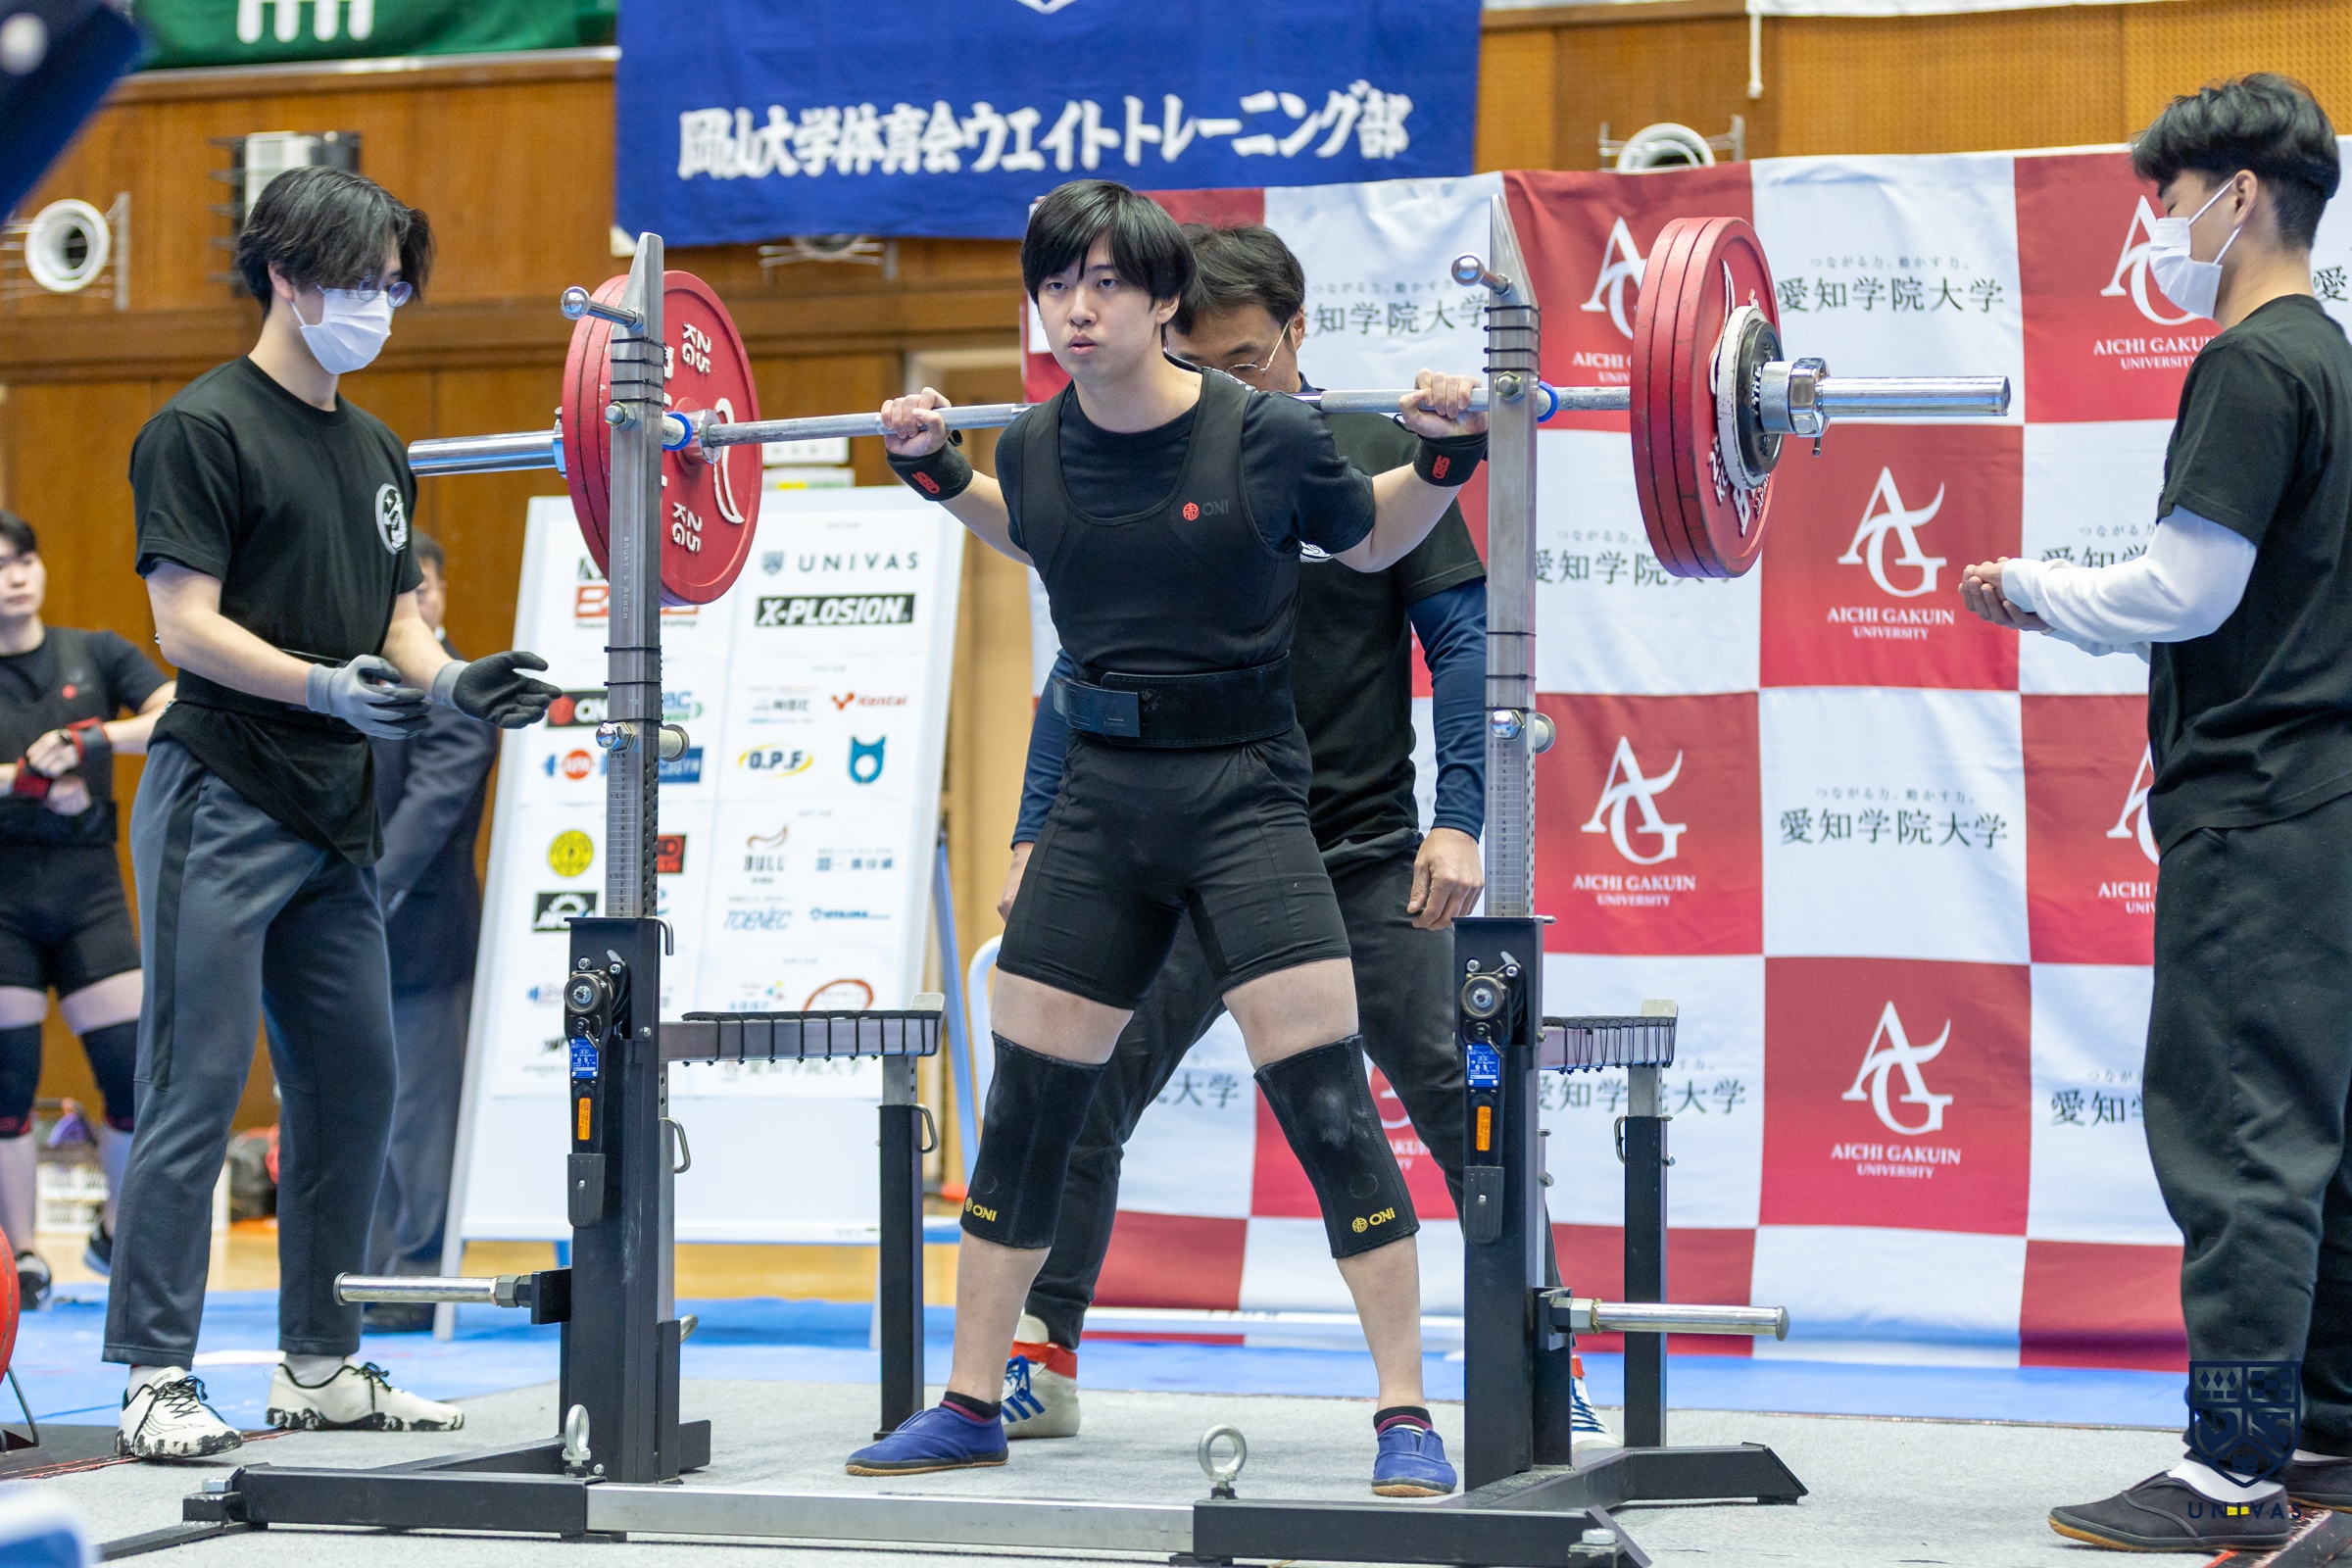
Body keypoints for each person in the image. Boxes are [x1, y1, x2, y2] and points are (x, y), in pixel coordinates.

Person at [852, 179, 1486, 1496]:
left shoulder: (1269, 435)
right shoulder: (1035, 442)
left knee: (1329, 1106)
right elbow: (1024, 528)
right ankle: (972, 1398)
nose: (1076, 310)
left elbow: (1374, 538)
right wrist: (936, 473)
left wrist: (1443, 458)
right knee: (1031, 1112)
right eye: (1055, 286)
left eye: (1104, 285)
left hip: (1248, 801)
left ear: (1159, 304)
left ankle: (1405, 1411)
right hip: (1101, 807)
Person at [989, 221, 1613, 1457]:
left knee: (1466, 1097)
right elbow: (1084, 667)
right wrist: (1030, 832)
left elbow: (1464, 644)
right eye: (1196, 359)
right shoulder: (1139, 451)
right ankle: (1041, 1355)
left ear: (1298, 330)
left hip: (1354, 852)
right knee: (1076, 1091)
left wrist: (1460, 820)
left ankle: (1542, 1352)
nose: (1223, 383)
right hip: (1174, 852)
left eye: (1244, 359)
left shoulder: (1369, 452)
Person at [1954, 74, 2351, 1554]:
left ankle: (2233, 1472)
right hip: (2329, 805)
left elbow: (2188, 589)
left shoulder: (2252, 365)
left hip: (2258, 807)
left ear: (2239, 196)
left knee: (2240, 1131)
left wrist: (2031, 588)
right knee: (2319, 1135)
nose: (2159, 228)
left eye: (2169, 200)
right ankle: (2327, 1441)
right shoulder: (2339, 362)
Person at [109, 165, 558, 1461]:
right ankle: (153, 1374)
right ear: (288, 279)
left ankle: (319, 1363)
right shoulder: (200, 429)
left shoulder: (375, 449)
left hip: (332, 813)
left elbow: (397, 624)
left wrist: (455, 681)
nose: (380, 307)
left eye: (394, 287)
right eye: (360, 284)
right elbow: (184, 626)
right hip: (221, 792)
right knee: (193, 1085)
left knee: (357, 1082)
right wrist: (320, 685)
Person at [0, 510, 172, 1308]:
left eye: (23, 559)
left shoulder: (95, 651)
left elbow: (179, 712)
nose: (14, 576)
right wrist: (29, 781)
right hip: (5, 897)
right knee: (9, 1089)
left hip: (88, 891)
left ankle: (117, 1230)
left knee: (133, 1074)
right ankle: (25, 1259)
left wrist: (93, 741)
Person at [361, 532, 496, 1332]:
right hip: (343, 936)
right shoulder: (353, 679)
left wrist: (356, 901)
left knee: (419, 1118)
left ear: (440, 597)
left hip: (420, 935)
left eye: (427, 587)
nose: (417, 600)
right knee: (362, 1116)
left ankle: (419, 1278)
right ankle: (369, 1275)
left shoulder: (457, 689)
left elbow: (425, 815)